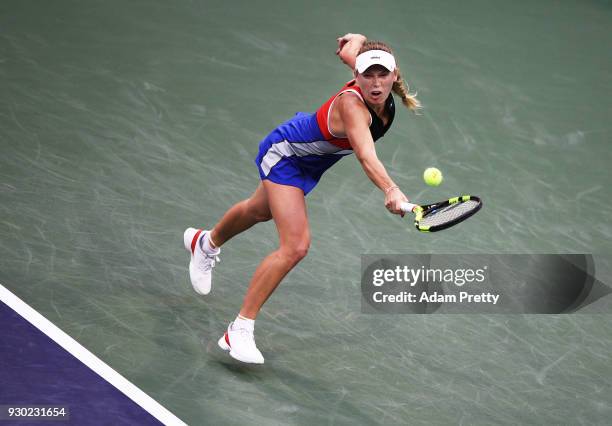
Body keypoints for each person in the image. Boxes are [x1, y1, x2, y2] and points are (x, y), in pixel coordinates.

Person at [183, 33, 421, 364]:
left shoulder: (375, 84)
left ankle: (204, 243)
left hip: (311, 163)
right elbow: (366, 156)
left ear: (395, 75)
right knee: (296, 245)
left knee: (257, 210)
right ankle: (238, 331)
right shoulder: (353, 104)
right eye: (368, 75)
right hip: (286, 156)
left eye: (383, 74)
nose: (376, 82)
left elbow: (354, 52)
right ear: (357, 77)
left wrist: (358, 42)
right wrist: (391, 189)